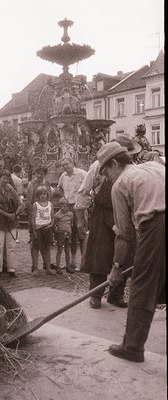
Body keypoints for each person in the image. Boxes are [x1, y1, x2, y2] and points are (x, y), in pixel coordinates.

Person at [96, 142, 165, 362]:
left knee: (142, 287)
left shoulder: (120, 184)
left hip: (157, 226)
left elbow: (124, 235)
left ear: (115, 163)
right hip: (157, 224)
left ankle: (133, 347)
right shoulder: (155, 167)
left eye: (106, 171)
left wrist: (116, 268)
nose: (107, 177)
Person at [75, 133, 142, 309]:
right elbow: (83, 192)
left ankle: (115, 295)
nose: (128, 157)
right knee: (99, 256)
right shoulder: (99, 166)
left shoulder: (132, 168)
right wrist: (81, 220)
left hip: (124, 215)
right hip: (101, 215)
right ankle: (96, 295)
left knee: (124, 256)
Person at [0, 170, 24, 277]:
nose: (5, 180)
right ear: (0, 178)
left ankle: (11, 269)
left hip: (11, 222)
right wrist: (6, 215)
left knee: (10, 246)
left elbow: (20, 204)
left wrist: (15, 214)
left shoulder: (11, 189)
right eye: (3, 178)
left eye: (7, 178)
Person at [57, 157, 87, 273]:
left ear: (72, 163)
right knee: (71, 235)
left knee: (81, 234)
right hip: (68, 207)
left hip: (79, 207)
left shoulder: (81, 173)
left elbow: (89, 187)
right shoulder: (63, 176)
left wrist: (84, 200)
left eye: (67, 164)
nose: (65, 166)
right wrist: (63, 197)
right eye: (63, 165)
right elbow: (59, 188)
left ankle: (84, 262)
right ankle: (73, 262)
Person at [31, 185, 55, 276]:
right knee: (36, 248)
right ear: (38, 195)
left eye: (44, 194)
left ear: (47, 195)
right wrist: (33, 230)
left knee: (47, 248)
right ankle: (36, 268)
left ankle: (48, 267)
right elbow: (33, 218)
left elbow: (52, 217)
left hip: (47, 228)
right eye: (41, 194)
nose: (43, 196)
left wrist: (51, 225)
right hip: (38, 228)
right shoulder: (35, 205)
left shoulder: (50, 204)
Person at [54, 197, 74, 274]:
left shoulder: (70, 214)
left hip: (68, 233)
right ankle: (58, 267)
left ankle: (68, 266)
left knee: (67, 250)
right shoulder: (57, 215)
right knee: (59, 250)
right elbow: (55, 225)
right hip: (60, 233)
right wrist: (57, 233)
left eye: (64, 206)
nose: (63, 208)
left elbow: (71, 224)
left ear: (67, 206)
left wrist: (70, 232)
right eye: (61, 206)